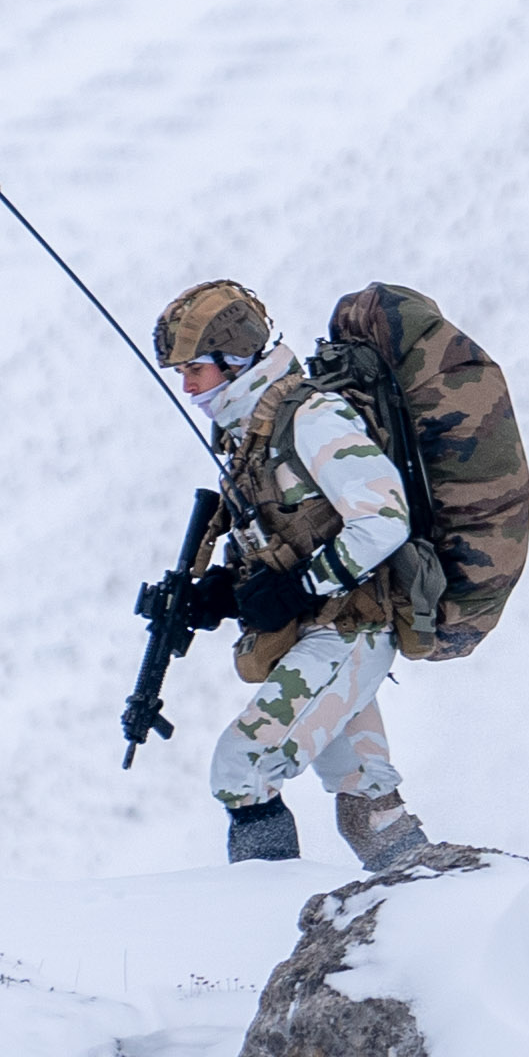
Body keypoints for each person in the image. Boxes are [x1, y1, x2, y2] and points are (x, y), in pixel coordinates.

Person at [150, 280, 430, 871]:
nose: (188, 384)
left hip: (351, 629)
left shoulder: (310, 417)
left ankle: (263, 913)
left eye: (196, 367)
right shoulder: (251, 431)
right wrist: (222, 594)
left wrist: (300, 587)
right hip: (324, 631)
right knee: (367, 794)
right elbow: (286, 534)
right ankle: (432, 897)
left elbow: (384, 520)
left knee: (242, 770)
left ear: (237, 357)